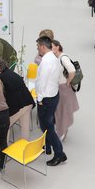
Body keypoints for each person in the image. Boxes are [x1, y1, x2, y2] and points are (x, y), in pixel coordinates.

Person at [35, 36, 67, 166]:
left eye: (38, 47)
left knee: (47, 127)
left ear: (43, 47)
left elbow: (42, 82)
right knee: (48, 124)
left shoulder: (46, 62)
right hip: (53, 95)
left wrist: (40, 99)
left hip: (46, 99)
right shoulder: (54, 58)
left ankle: (60, 154)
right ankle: (47, 147)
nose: (37, 49)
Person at [0, 58, 35, 141]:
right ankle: (24, 147)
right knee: (25, 126)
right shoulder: (11, 73)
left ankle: (4, 149)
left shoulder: (0, 78)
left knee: (5, 125)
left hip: (18, 106)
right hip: (28, 101)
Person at [52, 40, 79, 141]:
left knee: (62, 111)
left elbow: (72, 70)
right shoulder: (57, 57)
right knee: (60, 111)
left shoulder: (63, 58)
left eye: (53, 46)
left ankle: (62, 132)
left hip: (63, 88)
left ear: (58, 47)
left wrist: (68, 82)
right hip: (60, 88)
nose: (51, 49)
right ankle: (61, 130)